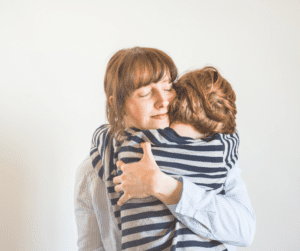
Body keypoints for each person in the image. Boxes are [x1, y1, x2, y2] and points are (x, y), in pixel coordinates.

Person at [74, 47, 256, 251]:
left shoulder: (209, 150)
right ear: (118, 105)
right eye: (145, 93)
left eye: (168, 88)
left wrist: (166, 187)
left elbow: (245, 231)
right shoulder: (93, 170)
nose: (163, 102)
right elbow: (90, 246)